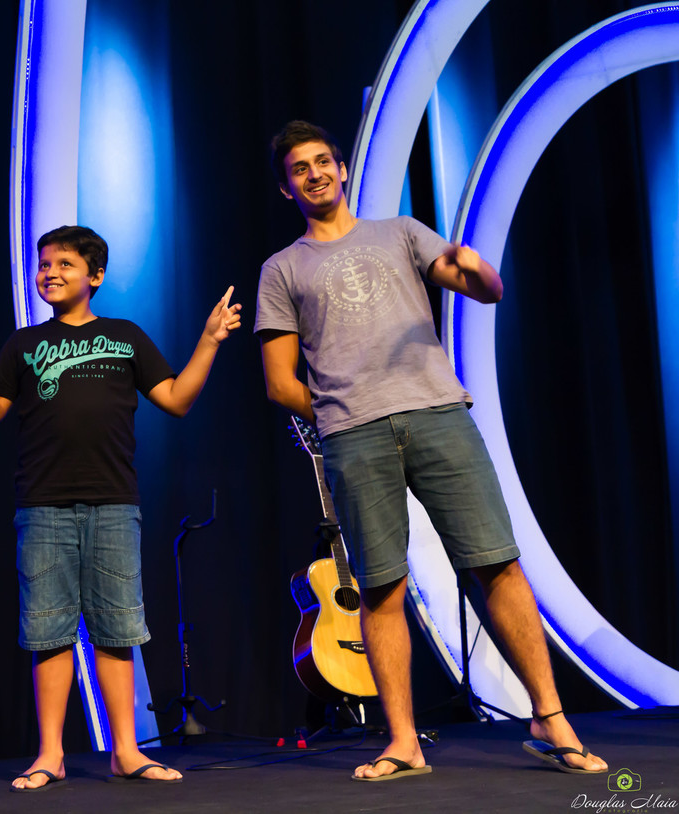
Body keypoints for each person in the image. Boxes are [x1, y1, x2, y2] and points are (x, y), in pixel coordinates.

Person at [255, 120, 608, 781]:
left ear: (343, 168)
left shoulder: (402, 232)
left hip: (439, 416)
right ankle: (401, 742)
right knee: (381, 586)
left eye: (324, 161)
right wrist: (337, 415)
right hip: (354, 438)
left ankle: (550, 717)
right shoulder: (282, 269)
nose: (316, 173)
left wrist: (476, 267)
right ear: (286, 188)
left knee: (496, 563)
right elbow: (279, 383)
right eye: (300, 168)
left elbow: (484, 287)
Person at [0, 225, 240, 791]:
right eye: (43, 264)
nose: (50, 273)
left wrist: (209, 341)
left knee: (118, 631)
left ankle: (127, 751)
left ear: (95, 275)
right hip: (42, 505)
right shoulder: (22, 344)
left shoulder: (125, 336)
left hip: (114, 502)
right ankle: (50, 755)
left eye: (64, 263)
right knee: (49, 632)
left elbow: (176, 400)